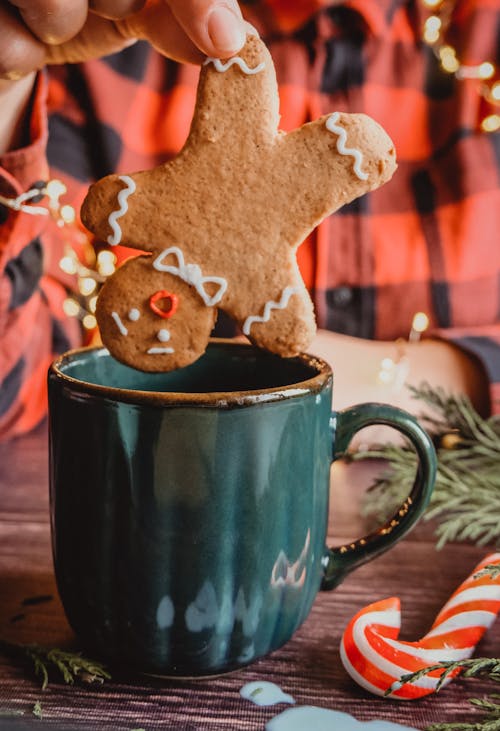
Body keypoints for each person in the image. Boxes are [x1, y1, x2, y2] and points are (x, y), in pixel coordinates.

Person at [0, 0, 498, 441]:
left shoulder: (482, 43)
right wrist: (7, 89)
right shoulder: (105, 44)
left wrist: (408, 378)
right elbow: (19, 388)